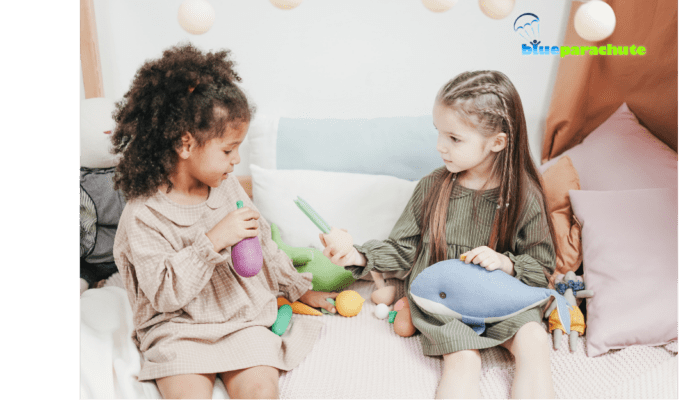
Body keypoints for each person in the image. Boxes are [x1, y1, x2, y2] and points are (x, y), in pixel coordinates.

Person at [111, 43, 337, 400]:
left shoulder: (226, 185)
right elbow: (164, 295)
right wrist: (213, 239)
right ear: (185, 144)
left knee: (262, 391)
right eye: (228, 150)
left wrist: (296, 287)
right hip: (178, 327)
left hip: (240, 317)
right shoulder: (144, 215)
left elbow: (261, 242)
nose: (236, 161)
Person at [320, 70, 559, 399]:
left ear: (497, 142)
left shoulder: (524, 196)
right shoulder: (432, 187)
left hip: (501, 300)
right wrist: (357, 255)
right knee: (463, 359)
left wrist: (505, 263)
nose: (439, 146)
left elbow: (542, 267)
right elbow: (403, 250)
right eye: (439, 133)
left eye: (454, 138)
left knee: (534, 340)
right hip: (442, 304)